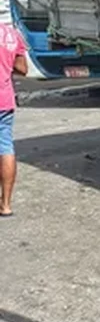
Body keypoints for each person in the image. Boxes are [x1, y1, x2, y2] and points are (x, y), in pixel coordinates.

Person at [0, 24, 28, 217]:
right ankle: (6, 204)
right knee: (5, 146)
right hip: (4, 99)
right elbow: (23, 68)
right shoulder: (10, 33)